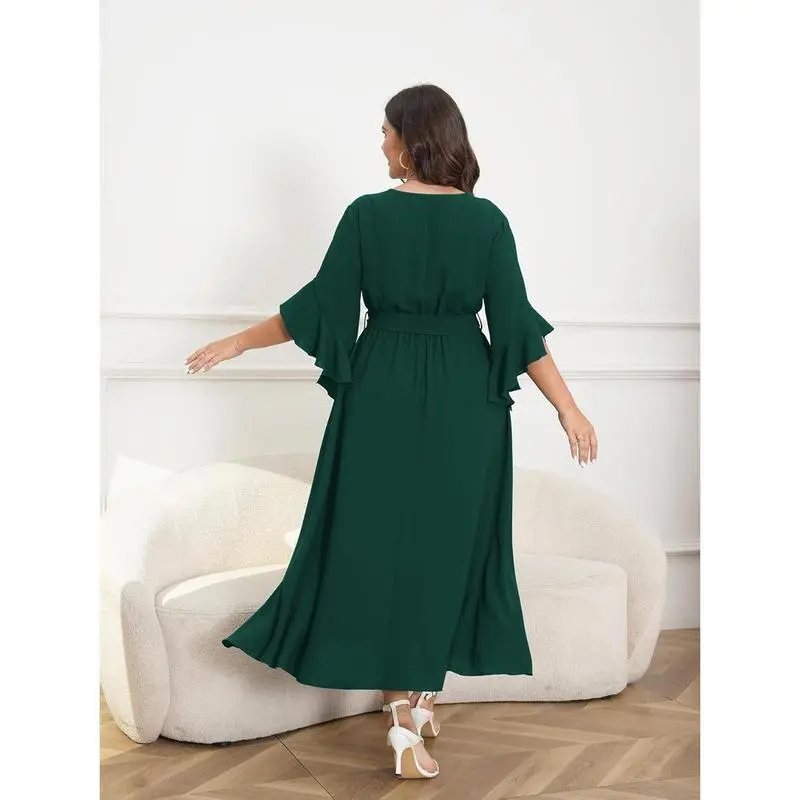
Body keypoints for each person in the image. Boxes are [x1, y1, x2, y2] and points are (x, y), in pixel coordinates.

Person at [185, 83, 598, 780]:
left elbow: (319, 307)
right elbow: (517, 328)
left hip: (381, 390)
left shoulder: (368, 216)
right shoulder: (487, 222)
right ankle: (408, 706)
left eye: (386, 131)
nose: (380, 143)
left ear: (412, 138)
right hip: (465, 399)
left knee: (376, 544)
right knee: (444, 547)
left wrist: (240, 341)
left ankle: (407, 700)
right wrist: (567, 407)